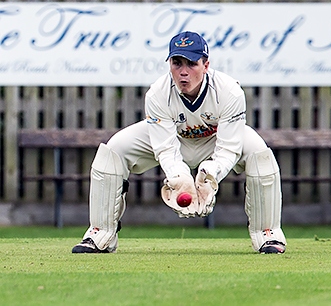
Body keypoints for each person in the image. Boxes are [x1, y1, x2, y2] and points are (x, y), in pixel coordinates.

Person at [72, 31, 287, 254]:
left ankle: (267, 234)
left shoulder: (229, 91)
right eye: (177, 63)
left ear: (206, 65)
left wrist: (209, 176)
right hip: (175, 139)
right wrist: (181, 180)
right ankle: (101, 234)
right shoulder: (158, 93)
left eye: (192, 63)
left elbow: (229, 149)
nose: (183, 72)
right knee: (113, 150)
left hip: (215, 141)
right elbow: (165, 149)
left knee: (259, 153)